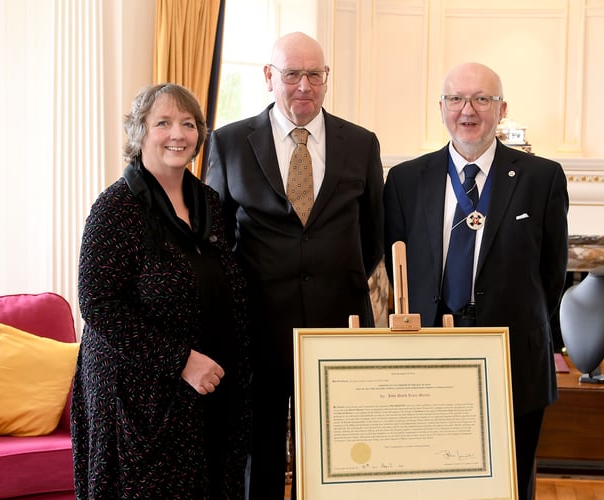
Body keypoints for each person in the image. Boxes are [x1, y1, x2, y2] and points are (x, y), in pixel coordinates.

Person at [203, 32, 385, 499]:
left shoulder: (362, 144)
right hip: (257, 328)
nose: (304, 85)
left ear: (326, 79)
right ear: (269, 77)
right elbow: (215, 241)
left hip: (338, 327)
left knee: (333, 453)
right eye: (291, 74)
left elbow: (373, 235)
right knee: (259, 453)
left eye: (314, 75)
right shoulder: (228, 144)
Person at [383, 62, 569, 499]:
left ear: (501, 109)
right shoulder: (406, 179)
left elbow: (552, 271)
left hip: (513, 356)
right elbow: (396, 268)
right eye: (455, 99)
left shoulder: (542, 178)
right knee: (433, 479)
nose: (468, 110)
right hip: (430, 350)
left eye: (482, 99)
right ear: (441, 108)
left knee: (510, 479)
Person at [71, 83, 251, 499]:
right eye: (163, 123)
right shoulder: (114, 208)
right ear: (140, 132)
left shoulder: (208, 201)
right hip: (138, 401)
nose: (178, 134)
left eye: (188, 124)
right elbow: (98, 305)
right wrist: (180, 361)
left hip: (209, 394)